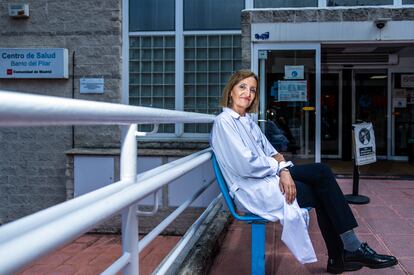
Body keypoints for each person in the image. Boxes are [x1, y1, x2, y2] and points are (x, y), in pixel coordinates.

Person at [210, 70, 398, 274]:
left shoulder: (247, 121)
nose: (248, 93)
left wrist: (283, 170)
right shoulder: (225, 122)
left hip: (267, 175)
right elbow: (247, 164)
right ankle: (346, 251)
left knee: (321, 171)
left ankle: (344, 254)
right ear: (230, 91)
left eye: (252, 89)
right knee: (321, 192)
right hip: (253, 188)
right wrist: (281, 169)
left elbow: (273, 153)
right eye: (242, 87)